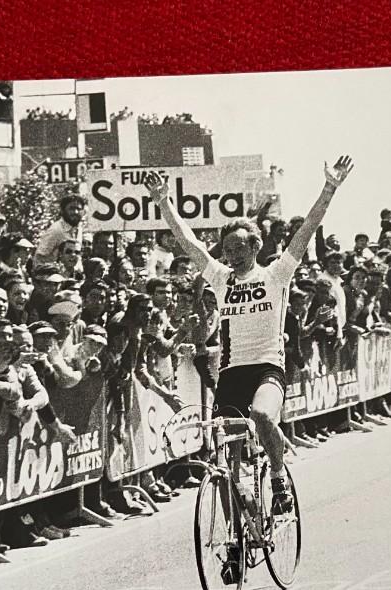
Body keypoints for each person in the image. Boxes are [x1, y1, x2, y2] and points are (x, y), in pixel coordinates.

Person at [143, 154, 354, 520]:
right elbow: (189, 242)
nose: (232, 256)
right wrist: (163, 203)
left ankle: (277, 477)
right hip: (231, 373)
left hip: (267, 368)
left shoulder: (276, 274)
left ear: (255, 247)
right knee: (228, 461)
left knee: (260, 414)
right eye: (227, 251)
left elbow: (306, 230)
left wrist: (329, 188)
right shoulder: (222, 278)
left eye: (239, 249)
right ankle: (237, 539)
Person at [34, 194, 86, 267]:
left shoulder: (78, 229)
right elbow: (39, 258)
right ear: (62, 210)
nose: (76, 212)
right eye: (71, 208)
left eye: (79, 209)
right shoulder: (56, 230)